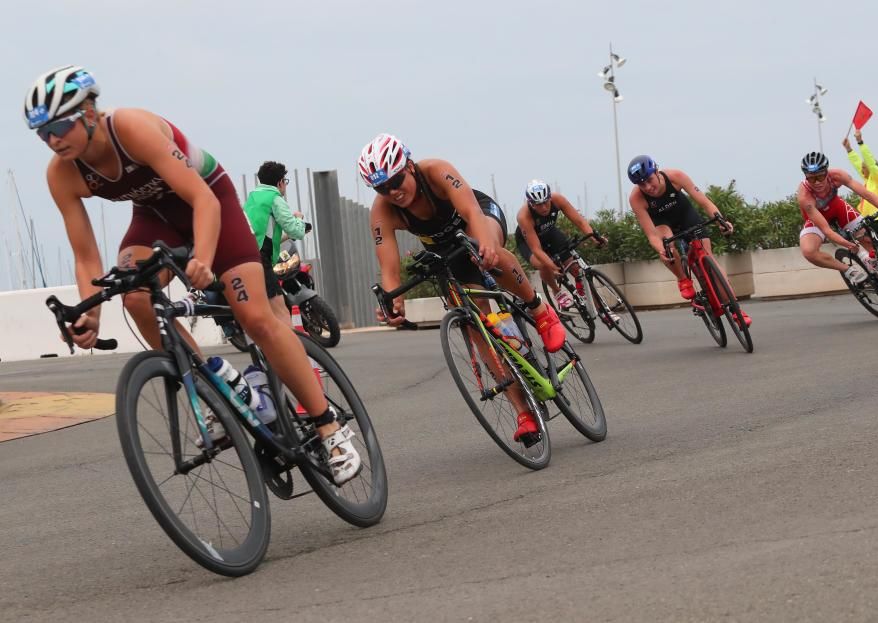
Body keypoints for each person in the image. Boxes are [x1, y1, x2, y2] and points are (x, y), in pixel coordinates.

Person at [25, 65, 359, 484]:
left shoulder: (129, 128)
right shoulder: (61, 173)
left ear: (89, 112)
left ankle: (329, 427)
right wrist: (88, 313)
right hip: (156, 217)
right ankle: (217, 392)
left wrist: (202, 257)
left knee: (255, 317)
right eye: (42, 134)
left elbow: (203, 199)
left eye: (59, 125)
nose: (53, 140)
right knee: (134, 295)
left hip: (210, 200)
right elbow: (85, 255)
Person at [360, 133, 564, 443]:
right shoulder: (382, 212)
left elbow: (471, 212)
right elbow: (388, 269)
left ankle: (539, 310)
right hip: (444, 247)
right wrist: (394, 300)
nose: (393, 191)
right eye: (381, 188)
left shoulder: (437, 171)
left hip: (479, 217)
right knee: (474, 324)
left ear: (410, 167)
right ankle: (523, 412)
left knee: (486, 251)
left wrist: (485, 243)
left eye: (396, 180)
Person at [626, 154, 750, 325]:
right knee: (666, 245)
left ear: (656, 171)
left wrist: (721, 221)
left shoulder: (676, 176)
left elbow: (705, 202)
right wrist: (661, 251)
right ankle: (683, 277)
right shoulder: (636, 199)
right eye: (641, 184)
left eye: (649, 180)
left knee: (709, 260)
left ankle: (735, 309)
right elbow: (651, 235)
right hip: (662, 224)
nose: (647, 187)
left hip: (685, 214)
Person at [796, 151, 878, 285]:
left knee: (867, 238)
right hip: (817, 219)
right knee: (808, 251)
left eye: (820, 177)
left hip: (837, 208)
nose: (817, 183)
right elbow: (826, 230)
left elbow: (866, 194)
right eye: (811, 178)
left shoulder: (837, 176)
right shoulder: (804, 196)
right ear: (806, 177)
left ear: (827, 172)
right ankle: (848, 270)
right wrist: (847, 244)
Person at [513, 179, 606, 310]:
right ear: (531, 204)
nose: (544, 208)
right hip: (528, 242)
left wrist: (594, 237)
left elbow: (580, 221)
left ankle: (602, 310)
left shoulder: (558, 199)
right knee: (543, 264)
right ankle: (557, 292)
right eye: (538, 205)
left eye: (546, 202)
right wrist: (552, 266)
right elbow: (536, 249)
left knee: (574, 265)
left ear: (550, 197)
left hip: (549, 234)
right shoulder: (524, 216)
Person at [243, 161, 306, 327]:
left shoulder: (253, 198)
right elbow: (296, 231)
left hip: (245, 258)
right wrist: (299, 218)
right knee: (281, 312)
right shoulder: (275, 199)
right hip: (260, 260)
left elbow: (263, 234)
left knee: (266, 312)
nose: (285, 185)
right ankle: (292, 351)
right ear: (280, 182)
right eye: (285, 181)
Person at [842, 129, 878, 246]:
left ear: (871, 168)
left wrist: (860, 142)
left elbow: (869, 161)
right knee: (872, 252)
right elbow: (857, 163)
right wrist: (849, 149)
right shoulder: (868, 181)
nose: (862, 169)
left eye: (864, 167)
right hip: (868, 221)